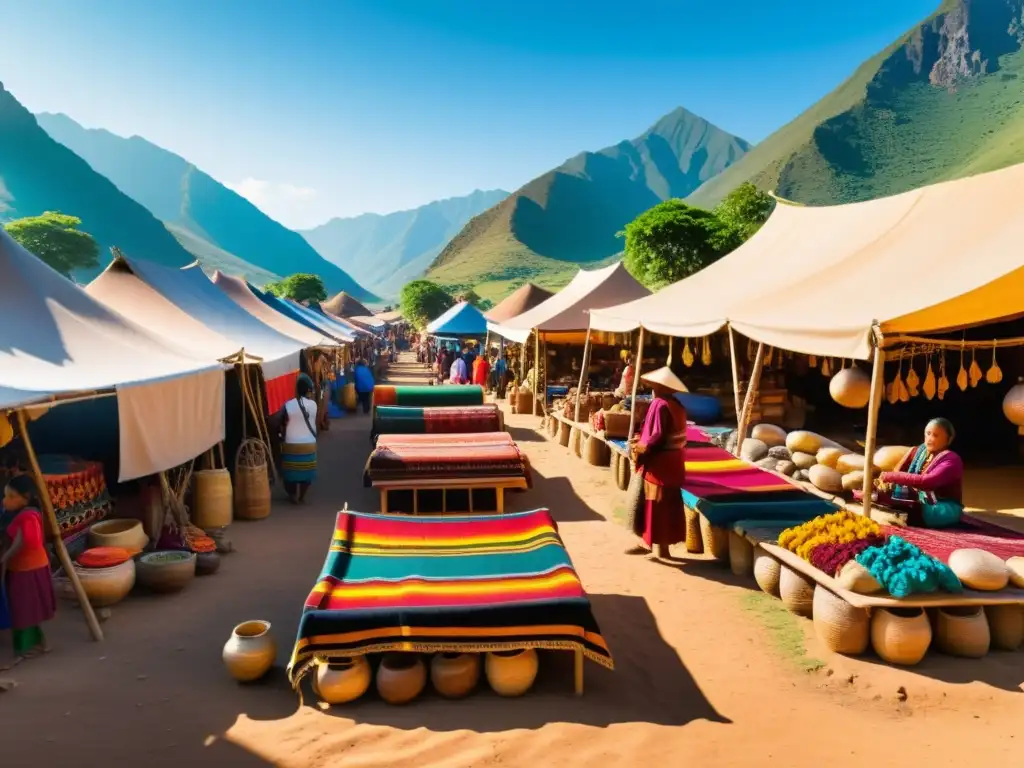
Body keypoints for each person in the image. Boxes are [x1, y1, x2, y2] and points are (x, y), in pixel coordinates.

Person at [626, 367, 689, 559]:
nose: (652, 389)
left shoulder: (659, 404)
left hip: (660, 464)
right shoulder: (677, 405)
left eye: (653, 386)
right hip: (675, 462)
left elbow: (657, 435)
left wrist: (641, 448)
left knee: (656, 505)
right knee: (667, 504)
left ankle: (656, 547)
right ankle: (661, 548)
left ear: (660, 387)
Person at [1, 474, 55, 668]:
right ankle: (39, 644)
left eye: (11, 496)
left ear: (25, 497)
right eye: (5, 495)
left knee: (23, 610)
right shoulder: (24, 514)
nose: (5, 500)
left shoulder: (28, 516)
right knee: (27, 609)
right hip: (26, 568)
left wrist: (5, 557)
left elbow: (27, 541)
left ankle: (27, 649)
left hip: (28, 569)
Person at [872, 417, 964, 528]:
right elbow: (898, 471)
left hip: (941, 506)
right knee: (879, 494)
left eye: (935, 435)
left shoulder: (952, 460)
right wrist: (886, 484)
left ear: (948, 439)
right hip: (915, 498)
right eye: (928, 433)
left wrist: (889, 476)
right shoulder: (917, 451)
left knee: (911, 508)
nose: (930, 438)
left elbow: (927, 481)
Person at [279, 375, 318, 504]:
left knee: (288, 473)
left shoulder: (288, 405)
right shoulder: (314, 405)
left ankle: (292, 494)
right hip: (309, 445)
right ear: (308, 390)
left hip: (291, 445)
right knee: (307, 475)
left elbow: (281, 422)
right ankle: (301, 496)